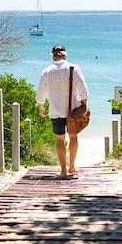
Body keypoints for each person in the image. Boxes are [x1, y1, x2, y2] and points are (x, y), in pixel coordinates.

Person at [36, 44, 89, 177]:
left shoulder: (47, 71)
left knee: (59, 140)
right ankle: (71, 166)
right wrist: (84, 104)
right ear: (65, 55)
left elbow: (41, 91)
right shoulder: (73, 68)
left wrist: (41, 106)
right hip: (72, 110)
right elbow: (83, 90)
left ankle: (63, 171)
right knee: (73, 136)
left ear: (53, 55)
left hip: (55, 110)